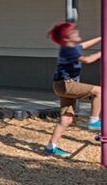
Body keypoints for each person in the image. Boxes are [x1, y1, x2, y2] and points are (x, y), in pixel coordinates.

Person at [44, 21, 102, 157]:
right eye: (72, 32)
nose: (77, 32)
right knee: (99, 91)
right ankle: (94, 120)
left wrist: (103, 38)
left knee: (66, 119)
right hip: (66, 85)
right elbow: (87, 60)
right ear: (66, 38)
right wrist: (105, 51)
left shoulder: (70, 47)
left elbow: (84, 45)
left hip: (61, 85)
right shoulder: (68, 49)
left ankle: (50, 147)